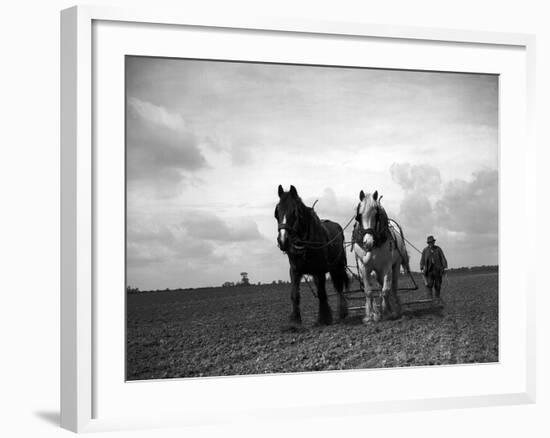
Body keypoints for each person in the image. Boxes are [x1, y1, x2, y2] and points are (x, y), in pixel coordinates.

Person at [420, 235, 448, 304]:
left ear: (434, 242)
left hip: (438, 271)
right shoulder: (425, 250)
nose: (431, 243)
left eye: (432, 242)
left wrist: (444, 266)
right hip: (429, 272)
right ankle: (430, 301)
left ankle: (437, 299)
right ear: (428, 243)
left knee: (438, 286)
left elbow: (442, 257)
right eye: (430, 242)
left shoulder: (438, 249)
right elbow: (422, 260)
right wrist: (421, 266)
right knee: (429, 286)